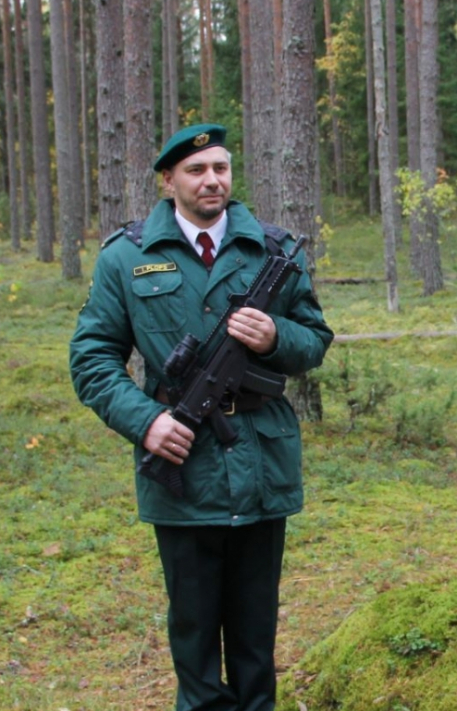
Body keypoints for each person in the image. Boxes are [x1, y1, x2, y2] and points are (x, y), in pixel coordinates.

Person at [70, 123, 333, 710]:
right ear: (169, 181)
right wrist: (146, 421)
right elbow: (91, 360)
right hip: (183, 465)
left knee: (256, 638)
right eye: (196, 170)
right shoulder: (127, 258)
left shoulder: (272, 250)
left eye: (220, 167)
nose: (212, 179)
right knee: (193, 635)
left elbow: (314, 340)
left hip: (262, 460)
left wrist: (274, 336)